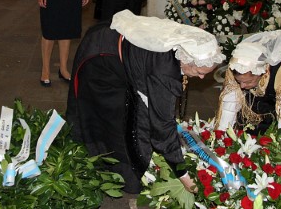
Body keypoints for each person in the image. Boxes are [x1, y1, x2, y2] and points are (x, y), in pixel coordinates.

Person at [67, 10, 225, 194]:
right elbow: (162, 127)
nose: (202, 76)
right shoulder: (164, 72)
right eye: (199, 71)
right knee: (112, 114)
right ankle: (105, 160)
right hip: (100, 58)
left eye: (206, 72)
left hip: (114, 42)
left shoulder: (179, 50)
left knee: (134, 112)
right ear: (185, 59)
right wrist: (183, 175)